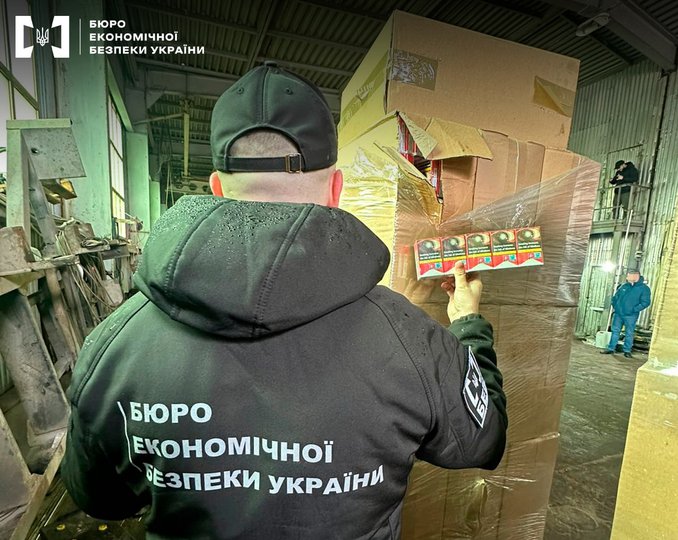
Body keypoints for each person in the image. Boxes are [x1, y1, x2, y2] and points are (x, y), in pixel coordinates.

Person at [61, 62, 507, 539]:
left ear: (217, 187)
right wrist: (468, 326)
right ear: (336, 190)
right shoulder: (410, 341)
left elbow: (100, 499)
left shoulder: (116, 348)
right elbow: (483, 441)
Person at [601, 269, 651, 358]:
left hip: (631, 315)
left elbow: (645, 302)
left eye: (628, 276)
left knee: (629, 333)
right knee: (615, 331)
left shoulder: (644, 289)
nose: (627, 278)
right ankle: (611, 348)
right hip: (618, 314)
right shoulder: (624, 286)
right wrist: (616, 306)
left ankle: (627, 351)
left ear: (635, 276)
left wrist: (633, 309)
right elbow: (615, 298)